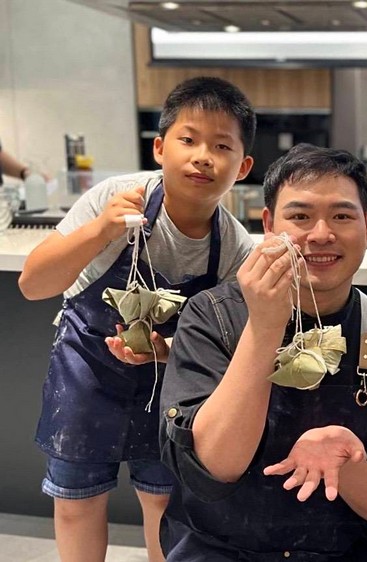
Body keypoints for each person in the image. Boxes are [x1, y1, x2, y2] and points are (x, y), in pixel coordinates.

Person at [17, 76, 257, 562]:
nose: (203, 157)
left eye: (221, 146)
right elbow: (33, 284)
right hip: (85, 369)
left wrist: (166, 351)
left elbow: (226, 344)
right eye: (188, 139)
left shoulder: (234, 246)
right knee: (77, 500)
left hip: (172, 381)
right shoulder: (116, 198)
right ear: (160, 148)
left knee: (164, 502)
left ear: (243, 166)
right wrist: (100, 230)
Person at [158, 143, 367, 560]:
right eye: (300, 216)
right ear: (269, 225)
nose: (321, 234)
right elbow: (211, 470)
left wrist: (345, 461)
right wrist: (265, 326)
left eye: (342, 216)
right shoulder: (210, 317)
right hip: (218, 550)